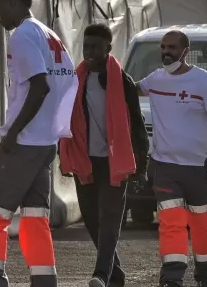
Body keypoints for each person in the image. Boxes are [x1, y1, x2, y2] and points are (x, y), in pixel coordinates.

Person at [0, 0, 78, 287]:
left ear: (12, 2)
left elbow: (40, 86)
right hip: (45, 141)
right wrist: (54, 128)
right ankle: (44, 280)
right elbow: (68, 83)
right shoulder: (49, 35)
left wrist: (14, 132)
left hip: (25, 142)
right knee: (35, 218)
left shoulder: (21, 36)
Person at [58, 23, 149, 287]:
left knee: (109, 219)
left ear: (108, 48)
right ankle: (115, 274)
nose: (89, 52)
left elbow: (137, 125)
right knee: (91, 219)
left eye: (95, 47)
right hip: (86, 161)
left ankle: (101, 274)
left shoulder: (122, 82)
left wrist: (141, 166)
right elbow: (66, 121)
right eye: (86, 46)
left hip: (114, 162)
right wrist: (63, 154)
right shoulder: (76, 80)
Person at [135, 30, 207, 287]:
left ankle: (205, 276)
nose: (166, 52)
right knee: (171, 222)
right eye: (163, 47)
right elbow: (128, 90)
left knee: (203, 224)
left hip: (200, 168)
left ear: (185, 51)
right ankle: (172, 278)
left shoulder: (203, 81)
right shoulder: (155, 80)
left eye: (172, 47)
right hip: (166, 167)